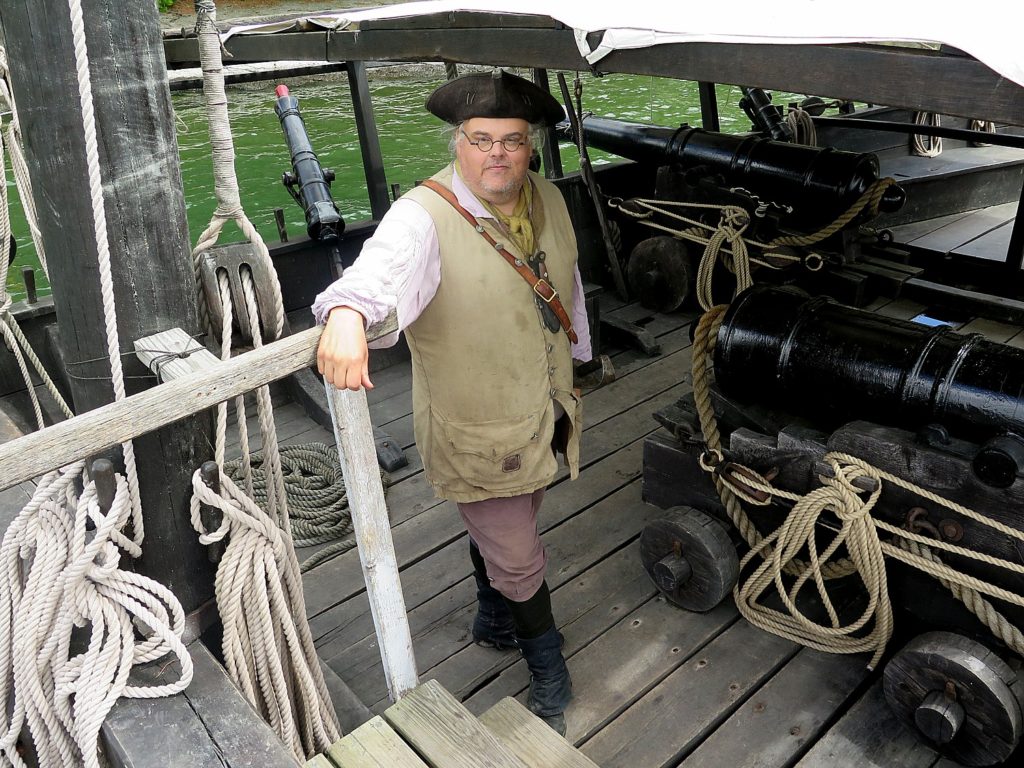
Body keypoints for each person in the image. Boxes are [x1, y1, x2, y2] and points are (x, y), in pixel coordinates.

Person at [313, 69, 591, 735]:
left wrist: (577, 353)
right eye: (482, 139)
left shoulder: (548, 197)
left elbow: (567, 279)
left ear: (530, 148)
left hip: (540, 406)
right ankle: (545, 659)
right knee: (521, 555)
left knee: (520, 511)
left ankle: (491, 614)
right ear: (458, 144)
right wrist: (347, 312)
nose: (498, 154)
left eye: (513, 141)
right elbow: (377, 272)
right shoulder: (422, 215)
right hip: (477, 424)